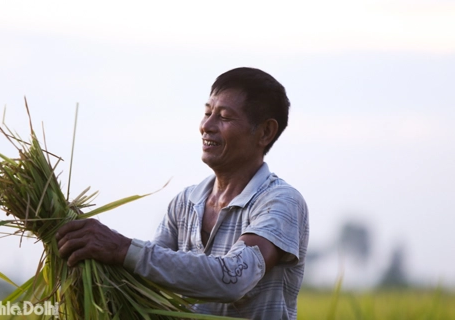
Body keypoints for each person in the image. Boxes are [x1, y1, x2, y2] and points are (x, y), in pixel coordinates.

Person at [56, 67, 309, 319]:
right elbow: (149, 281)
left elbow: (235, 278)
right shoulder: (185, 203)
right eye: (207, 113)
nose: (206, 126)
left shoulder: (279, 201)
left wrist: (121, 248)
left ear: (265, 132)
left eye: (224, 117)